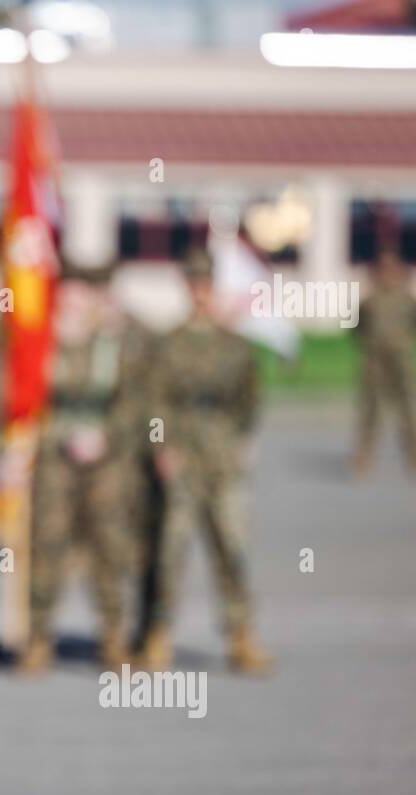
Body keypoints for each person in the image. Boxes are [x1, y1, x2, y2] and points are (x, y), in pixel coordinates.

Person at [134, 248, 273, 676]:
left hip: (222, 456)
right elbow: (153, 403)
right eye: (193, 284)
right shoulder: (167, 345)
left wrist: (244, 441)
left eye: (206, 285)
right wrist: (162, 447)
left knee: (232, 547)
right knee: (171, 550)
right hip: (183, 455)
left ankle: (241, 635)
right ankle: (158, 635)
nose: (200, 293)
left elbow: (250, 400)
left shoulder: (236, 345)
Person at [19, 260, 153, 674]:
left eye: (86, 292)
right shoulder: (45, 341)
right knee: (47, 545)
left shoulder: (117, 340)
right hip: (56, 457)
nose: (78, 300)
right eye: (70, 290)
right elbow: (23, 391)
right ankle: (39, 636)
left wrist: (106, 436)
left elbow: (136, 401)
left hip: (106, 460)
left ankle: (112, 635)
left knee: (109, 547)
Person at [351, 250, 416, 477]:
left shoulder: (409, 299)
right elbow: (357, 329)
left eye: (392, 270)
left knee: (409, 410)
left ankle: (415, 457)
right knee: (370, 411)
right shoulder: (369, 301)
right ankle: (364, 456)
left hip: (403, 362)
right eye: (383, 270)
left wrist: (406, 345)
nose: (387, 275)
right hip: (375, 363)